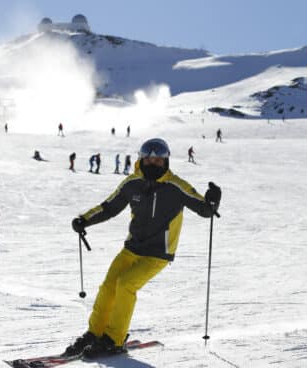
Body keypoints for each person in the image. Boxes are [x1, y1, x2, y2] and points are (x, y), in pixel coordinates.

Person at [63, 138, 221, 359]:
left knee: (126, 284)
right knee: (109, 286)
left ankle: (114, 340)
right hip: (132, 248)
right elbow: (110, 206)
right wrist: (84, 220)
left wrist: (212, 202)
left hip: (157, 254)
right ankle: (95, 333)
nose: (153, 163)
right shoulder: (132, 183)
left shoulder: (176, 186)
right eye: (148, 158)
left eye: (158, 159)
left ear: (165, 161)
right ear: (141, 159)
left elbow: (205, 210)